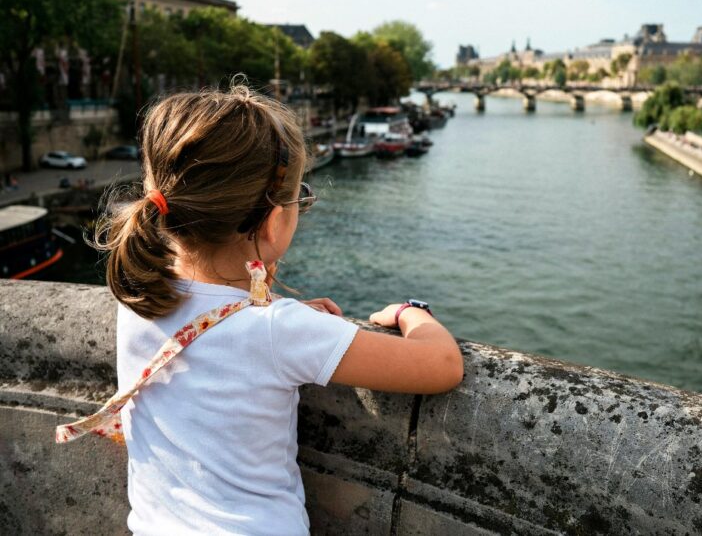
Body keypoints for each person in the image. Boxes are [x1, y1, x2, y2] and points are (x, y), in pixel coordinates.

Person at [56, 84, 463, 535]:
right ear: (272, 223)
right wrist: (411, 313)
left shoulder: (137, 295)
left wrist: (265, 306)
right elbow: (441, 365)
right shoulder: (280, 330)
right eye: (299, 199)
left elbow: (218, 328)